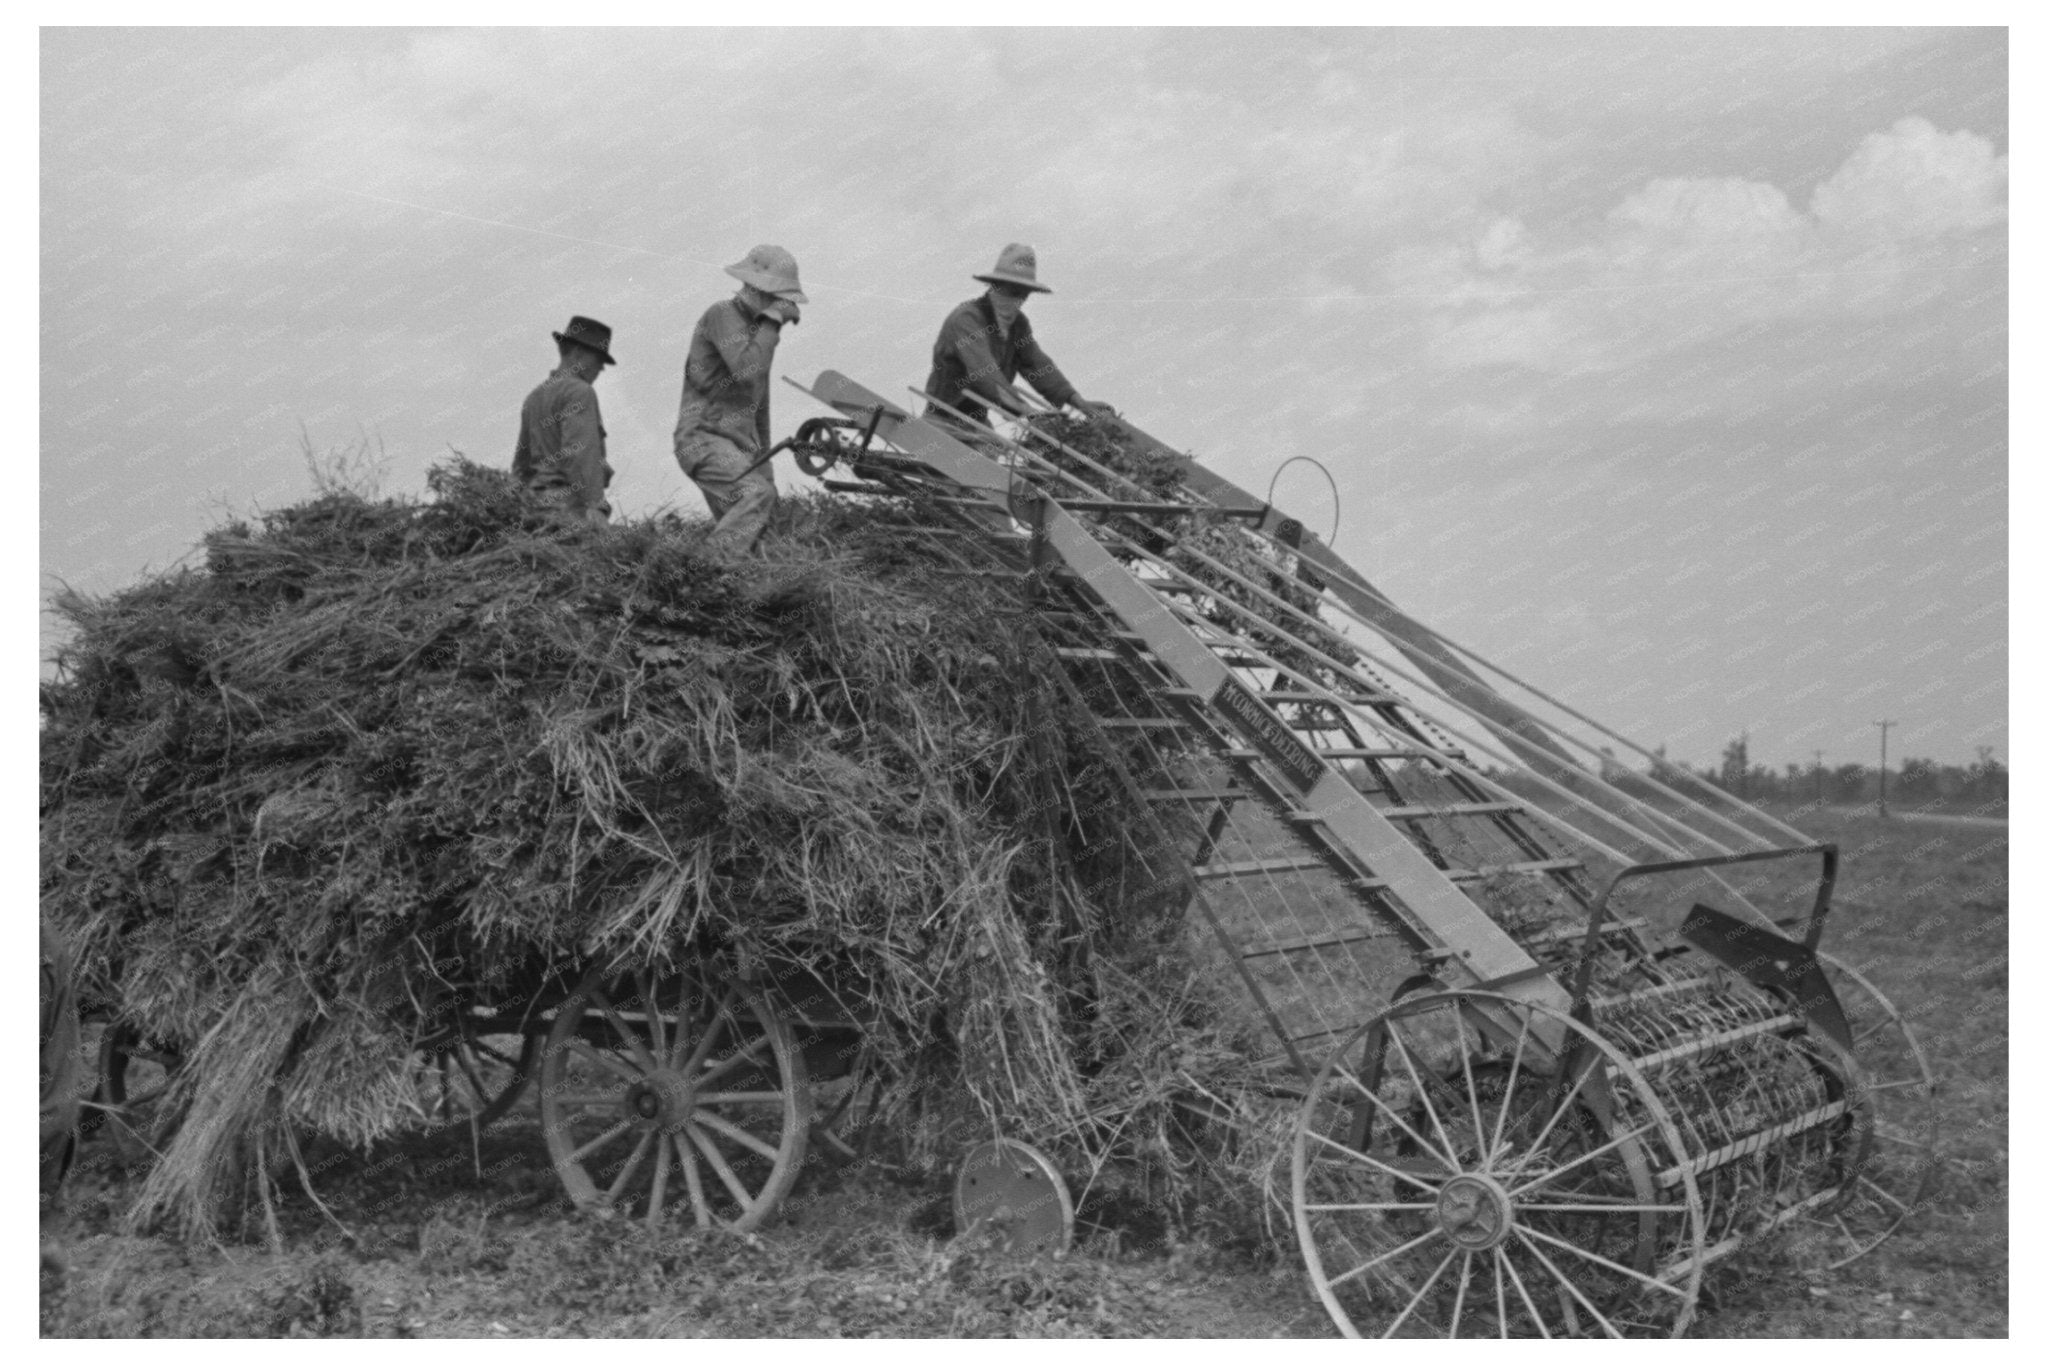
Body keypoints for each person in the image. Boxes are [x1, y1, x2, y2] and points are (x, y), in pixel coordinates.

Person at [673, 245, 806, 555]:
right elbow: (747, 372)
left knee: (759, 528)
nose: (784, 308)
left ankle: (723, 576)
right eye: (779, 299)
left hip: (735, 448)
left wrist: (765, 468)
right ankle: (706, 569)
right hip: (703, 438)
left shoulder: (757, 337)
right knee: (755, 495)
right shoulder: (722, 314)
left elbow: (759, 410)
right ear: (758, 289)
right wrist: (773, 321)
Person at [923, 243, 1116, 436]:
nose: (1017, 302)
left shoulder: (1018, 325)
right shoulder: (967, 319)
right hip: (942, 420)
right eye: (1013, 293)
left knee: (996, 454)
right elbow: (985, 373)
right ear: (995, 286)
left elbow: (1038, 365)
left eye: (1024, 295)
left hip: (977, 423)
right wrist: (1026, 410)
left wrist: (1079, 402)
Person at [512, 316, 615, 527]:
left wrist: (518, 505)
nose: (601, 369)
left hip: (534, 509)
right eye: (598, 360)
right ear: (578, 353)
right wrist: (595, 505)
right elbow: (579, 453)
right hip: (568, 508)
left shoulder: (534, 398)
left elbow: (521, 465)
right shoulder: (580, 391)